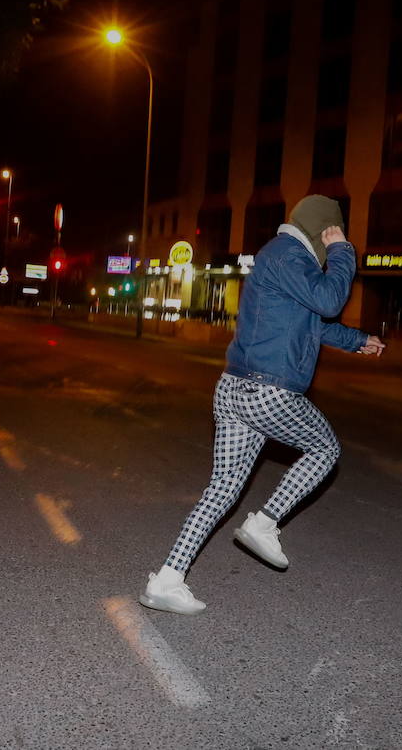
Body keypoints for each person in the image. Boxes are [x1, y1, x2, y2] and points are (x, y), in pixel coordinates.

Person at [138, 195, 385, 615]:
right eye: (332, 235)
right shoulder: (290, 256)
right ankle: (265, 522)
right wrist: (344, 250)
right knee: (325, 449)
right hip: (268, 391)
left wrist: (358, 341)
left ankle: (167, 579)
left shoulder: (283, 260)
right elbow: (328, 301)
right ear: (324, 230)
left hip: (235, 389)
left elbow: (315, 323)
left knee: (222, 490)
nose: (333, 248)